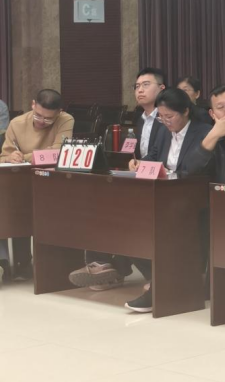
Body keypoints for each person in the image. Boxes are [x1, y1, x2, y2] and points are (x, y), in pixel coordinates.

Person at [71, 88, 212, 313]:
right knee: (119, 215)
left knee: (144, 223)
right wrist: (139, 163)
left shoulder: (203, 132)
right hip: (160, 194)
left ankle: (146, 277)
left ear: (186, 111)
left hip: (188, 198)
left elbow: (195, 169)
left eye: (169, 116)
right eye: (161, 117)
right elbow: (153, 156)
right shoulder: (164, 131)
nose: (165, 122)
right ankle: (114, 266)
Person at [0, 89, 73, 281]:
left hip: (53, 181)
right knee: (13, 205)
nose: (41, 122)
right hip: (21, 180)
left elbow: (59, 152)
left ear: (59, 112)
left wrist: (24, 156)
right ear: (33, 105)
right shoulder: (17, 123)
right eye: (38, 115)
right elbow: (4, 155)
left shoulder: (66, 120)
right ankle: (17, 263)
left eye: (48, 119)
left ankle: (46, 263)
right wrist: (10, 157)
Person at [132, 67, 166, 158]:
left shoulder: (167, 118)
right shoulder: (140, 119)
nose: (140, 90)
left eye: (146, 84)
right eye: (137, 86)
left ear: (161, 88)